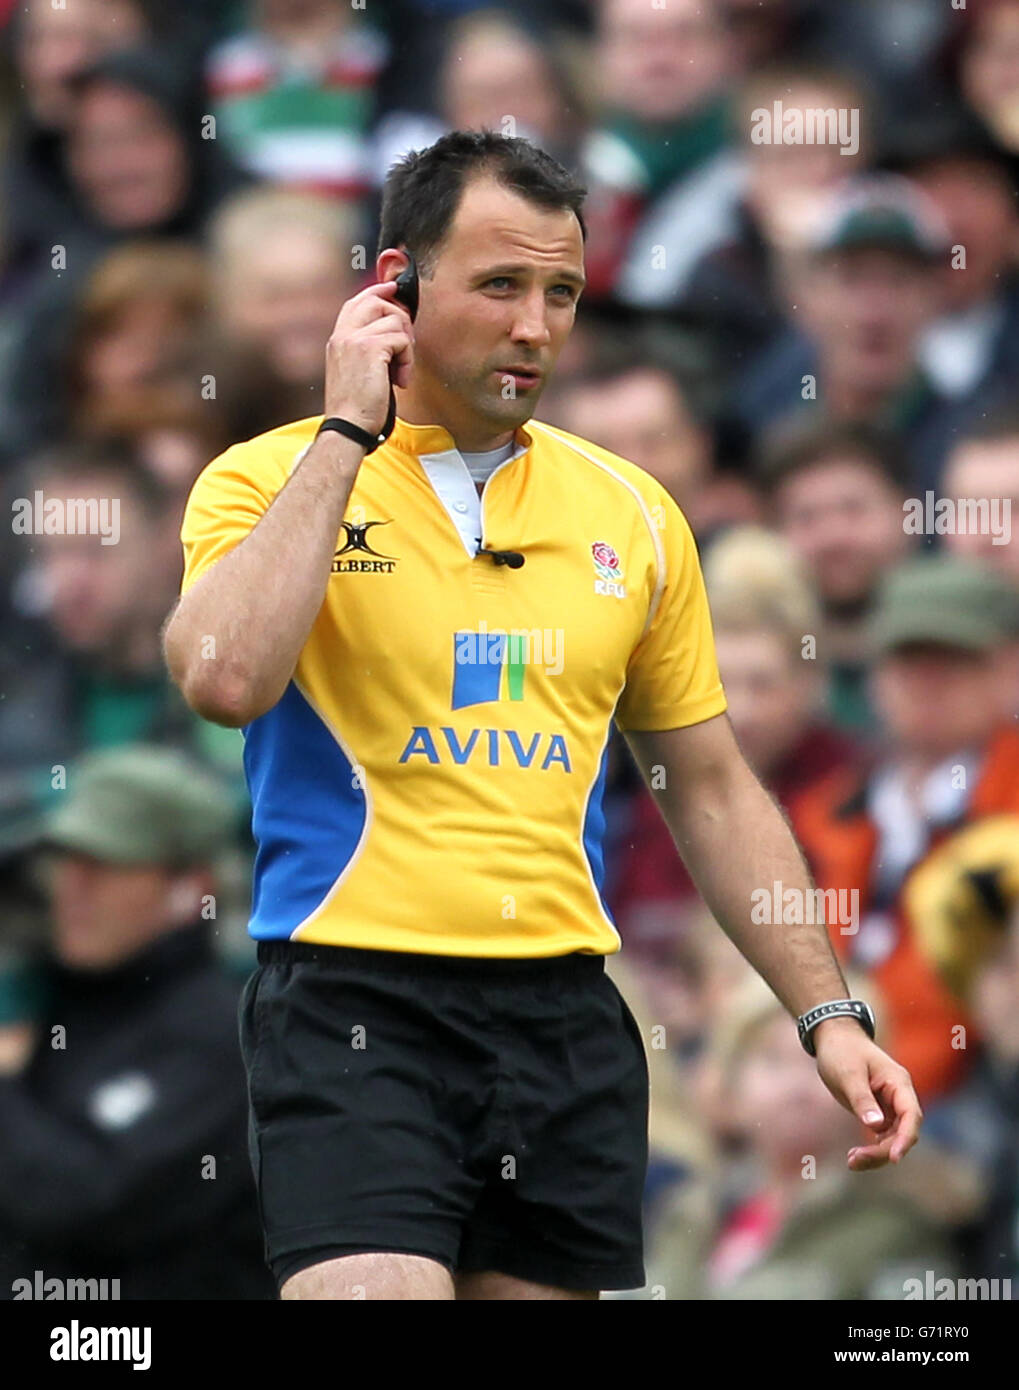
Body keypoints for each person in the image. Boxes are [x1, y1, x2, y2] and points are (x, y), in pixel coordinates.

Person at [164, 130, 921, 1302]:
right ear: (394, 285)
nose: (535, 325)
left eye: (559, 290)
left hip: (565, 1011)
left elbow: (709, 785)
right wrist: (341, 435)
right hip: (354, 1004)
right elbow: (220, 678)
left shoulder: (632, 510)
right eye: (499, 284)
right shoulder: (267, 478)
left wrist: (825, 1013)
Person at [0, 746, 273, 1300]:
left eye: (103, 864)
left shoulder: (223, 1037)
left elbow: (81, 1204)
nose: (72, 888)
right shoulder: (56, 1005)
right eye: (64, 862)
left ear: (191, 888)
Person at [791, 554, 1019, 1102]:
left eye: (953, 660)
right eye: (907, 660)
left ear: (1008, 670)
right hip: (827, 1093)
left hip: (972, 1104)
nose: (926, 682)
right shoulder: (822, 814)